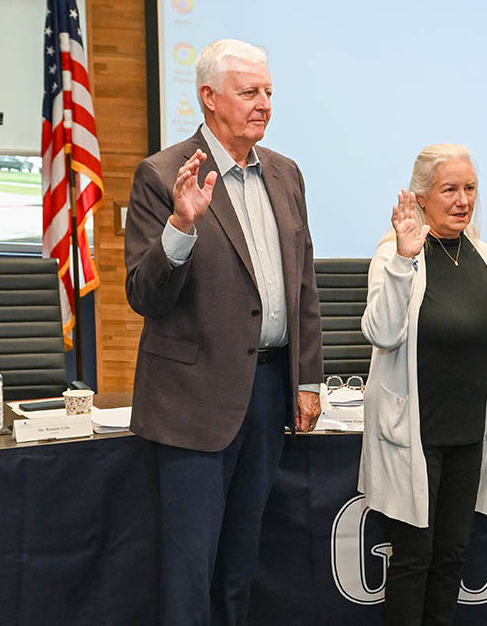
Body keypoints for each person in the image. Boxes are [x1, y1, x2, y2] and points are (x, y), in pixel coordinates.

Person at [124, 38, 322, 624]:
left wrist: (306, 378)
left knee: (240, 567)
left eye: (268, 92)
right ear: (209, 98)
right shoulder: (162, 176)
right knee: (188, 573)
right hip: (193, 403)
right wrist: (182, 225)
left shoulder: (285, 174)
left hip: (266, 395)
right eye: (249, 92)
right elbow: (144, 295)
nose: (263, 104)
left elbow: (303, 284)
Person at [358, 144, 487, 626]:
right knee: (414, 561)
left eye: (470, 189)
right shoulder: (394, 255)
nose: (462, 200)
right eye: (450, 189)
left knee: (452, 559)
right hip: (414, 439)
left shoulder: (483, 256)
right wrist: (404, 261)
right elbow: (381, 333)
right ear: (421, 197)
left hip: (470, 437)